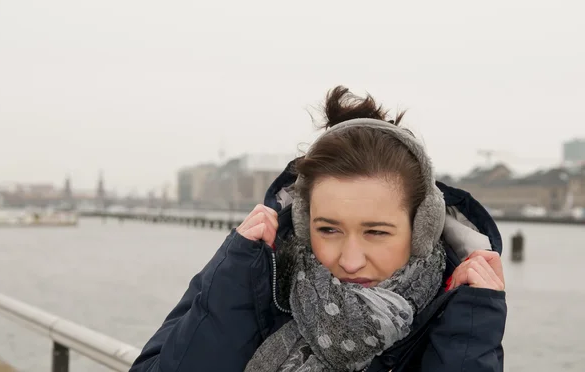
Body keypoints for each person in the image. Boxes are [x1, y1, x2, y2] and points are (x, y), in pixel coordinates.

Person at [130, 86, 507, 372]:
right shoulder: (255, 273)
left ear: (422, 229)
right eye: (328, 230)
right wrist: (235, 285)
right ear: (303, 220)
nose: (350, 260)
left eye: (376, 232)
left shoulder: (453, 313)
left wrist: (470, 329)